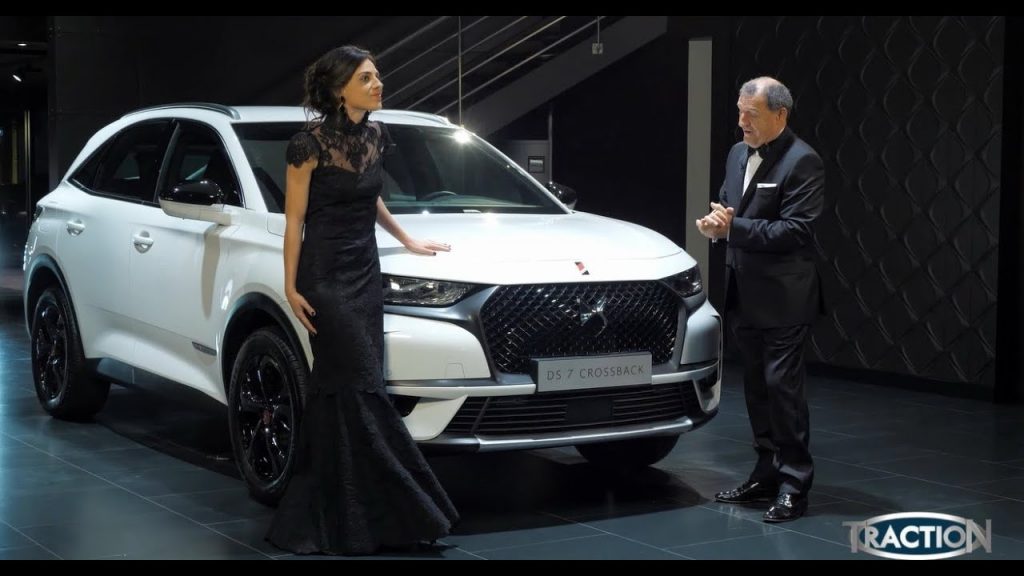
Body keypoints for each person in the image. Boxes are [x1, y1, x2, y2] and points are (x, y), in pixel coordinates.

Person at [266, 45, 460, 555]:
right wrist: (290, 286)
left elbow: (369, 194)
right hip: (325, 278)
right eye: (366, 78)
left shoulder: (376, 134)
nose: (378, 84)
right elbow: (294, 220)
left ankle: (344, 515)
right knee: (361, 385)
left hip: (365, 275)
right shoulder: (306, 145)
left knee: (345, 388)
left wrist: (407, 239)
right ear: (339, 89)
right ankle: (403, 505)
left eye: (377, 76)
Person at [695, 77, 824, 523]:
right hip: (744, 292)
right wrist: (716, 224)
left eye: (751, 114)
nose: (741, 122)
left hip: (785, 298)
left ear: (780, 114)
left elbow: (797, 230)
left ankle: (794, 485)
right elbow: (728, 205)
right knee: (756, 389)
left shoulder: (803, 160)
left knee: (782, 390)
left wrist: (733, 229)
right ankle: (766, 473)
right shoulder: (737, 153)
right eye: (739, 111)